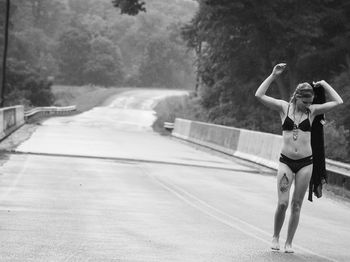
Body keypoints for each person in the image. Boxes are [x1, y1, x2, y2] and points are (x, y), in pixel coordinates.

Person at [255, 63, 343, 253]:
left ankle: (289, 243)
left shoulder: (313, 112)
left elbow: (338, 102)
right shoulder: (283, 107)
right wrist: (273, 75)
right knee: (282, 203)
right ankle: (275, 236)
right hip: (286, 162)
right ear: (297, 98)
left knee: (296, 205)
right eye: (305, 102)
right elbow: (259, 95)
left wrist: (325, 84)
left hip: (306, 164)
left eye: (311, 102)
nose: (308, 106)